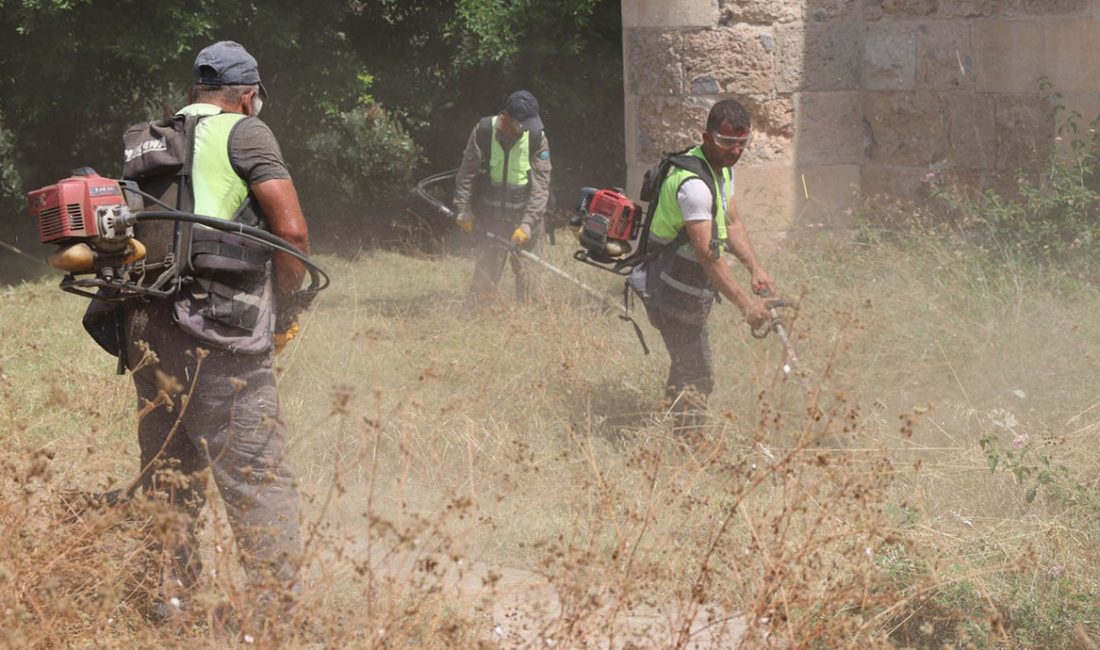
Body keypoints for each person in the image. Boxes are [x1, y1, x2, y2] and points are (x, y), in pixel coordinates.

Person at [120, 41, 308, 623]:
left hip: (147, 328)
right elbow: (293, 236)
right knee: (255, 472)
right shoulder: (246, 131)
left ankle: (169, 598)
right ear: (247, 95)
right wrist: (288, 304)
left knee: (169, 471)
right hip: (218, 334)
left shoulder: (151, 139)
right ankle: (276, 616)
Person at [630, 99, 774, 431]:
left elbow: (732, 220)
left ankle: (669, 428)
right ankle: (687, 446)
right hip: (667, 289)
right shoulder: (693, 186)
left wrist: (755, 267)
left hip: (687, 287)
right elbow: (709, 256)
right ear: (706, 138)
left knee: (685, 364)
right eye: (726, 142)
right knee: (699, 374)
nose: (735, 151)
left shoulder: (722, 168)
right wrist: (746, 305)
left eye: (742, 143)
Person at [452, 90, 552, 301]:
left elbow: (541, 186)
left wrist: (527, 223)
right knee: (482, 288)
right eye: (522, 123)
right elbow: (467, 173)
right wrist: (463, 209)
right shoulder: (484, 131)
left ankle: (525, 326)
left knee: (530, 286)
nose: (526, 129)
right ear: (506, 117)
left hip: (526, 220)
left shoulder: (536, 138)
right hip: (493, 220)